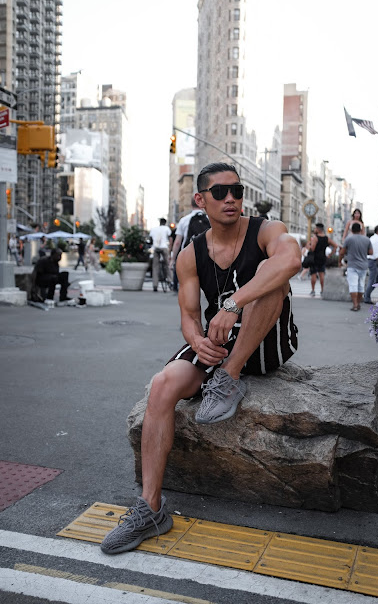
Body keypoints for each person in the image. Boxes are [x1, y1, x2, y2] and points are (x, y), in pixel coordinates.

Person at [100, 162, 301, 556]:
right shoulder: (191, 254)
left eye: (237, 192)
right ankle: (151, 508)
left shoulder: (266, 230)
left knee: (270, 275)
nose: (231, 199)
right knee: (162, 386)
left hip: (266, 339)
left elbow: (290, 261)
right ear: (200, 199)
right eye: (221, 192)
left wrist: (233, 303)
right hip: (218, 340)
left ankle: (229, 376)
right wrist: (197, 339)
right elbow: (190, 318)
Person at [170, 198, 207, 284]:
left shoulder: (184, 220)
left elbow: (177, 242)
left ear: (191, 205)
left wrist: (173, 259)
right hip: (205, 255)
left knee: (188, 282)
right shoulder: (209, 219)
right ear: (201, 204)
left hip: (188, 254)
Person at [339, 222, 372, 311]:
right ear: (361, 230)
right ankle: (358, 303)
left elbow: (342, 252)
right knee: (361, 285)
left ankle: (355, 304)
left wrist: (339, 261)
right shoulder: (367, 239)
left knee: (353, 285)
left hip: (352, 265)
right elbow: (371, 252)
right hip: (363, 265)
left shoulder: (349, 239)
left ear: (352, 230)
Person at [309, 224, 339, 296]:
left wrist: (309, 246)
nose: (315, 230)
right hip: (323, 258)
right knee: (321, 274)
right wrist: (330, 254)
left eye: (315, 228)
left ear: (318, 229)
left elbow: (312, 248)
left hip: (314, 258)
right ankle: (322, 290)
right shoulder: (327, 238)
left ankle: (313, 290)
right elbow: (335, 246)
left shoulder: (315, 238)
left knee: (313, 274)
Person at [364, 225, 378, 304]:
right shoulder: (376, 239)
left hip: (372, 260)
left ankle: (367, 295)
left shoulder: (374, 238)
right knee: (372, 280)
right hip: (373, 261)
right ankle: (366, 297)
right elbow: (376, 253)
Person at [149, 218, 172, 292]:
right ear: (165, 223)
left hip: (156, 248)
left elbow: (151, 239)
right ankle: (169, 280)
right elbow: (170, 238)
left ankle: (155, 285)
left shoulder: (154, 229)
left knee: (155, 266)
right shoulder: (167, 228)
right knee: (167, 264)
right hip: (164, 247)